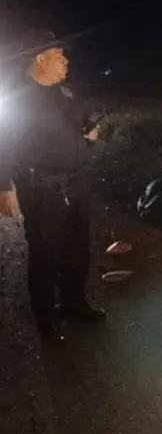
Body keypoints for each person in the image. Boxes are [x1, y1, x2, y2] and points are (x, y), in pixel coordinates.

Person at [0, 29, 106, 341]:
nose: (66, 61)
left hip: (75, 183)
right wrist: (4, 187)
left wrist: (90, 132)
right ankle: (46, 319)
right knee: (45, 254)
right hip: (42, 187)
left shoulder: (66, 92)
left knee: (78, 249)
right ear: (41, 58)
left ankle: (74, 304)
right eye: (59, 55)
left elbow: (83, 120)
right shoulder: (18, 97)